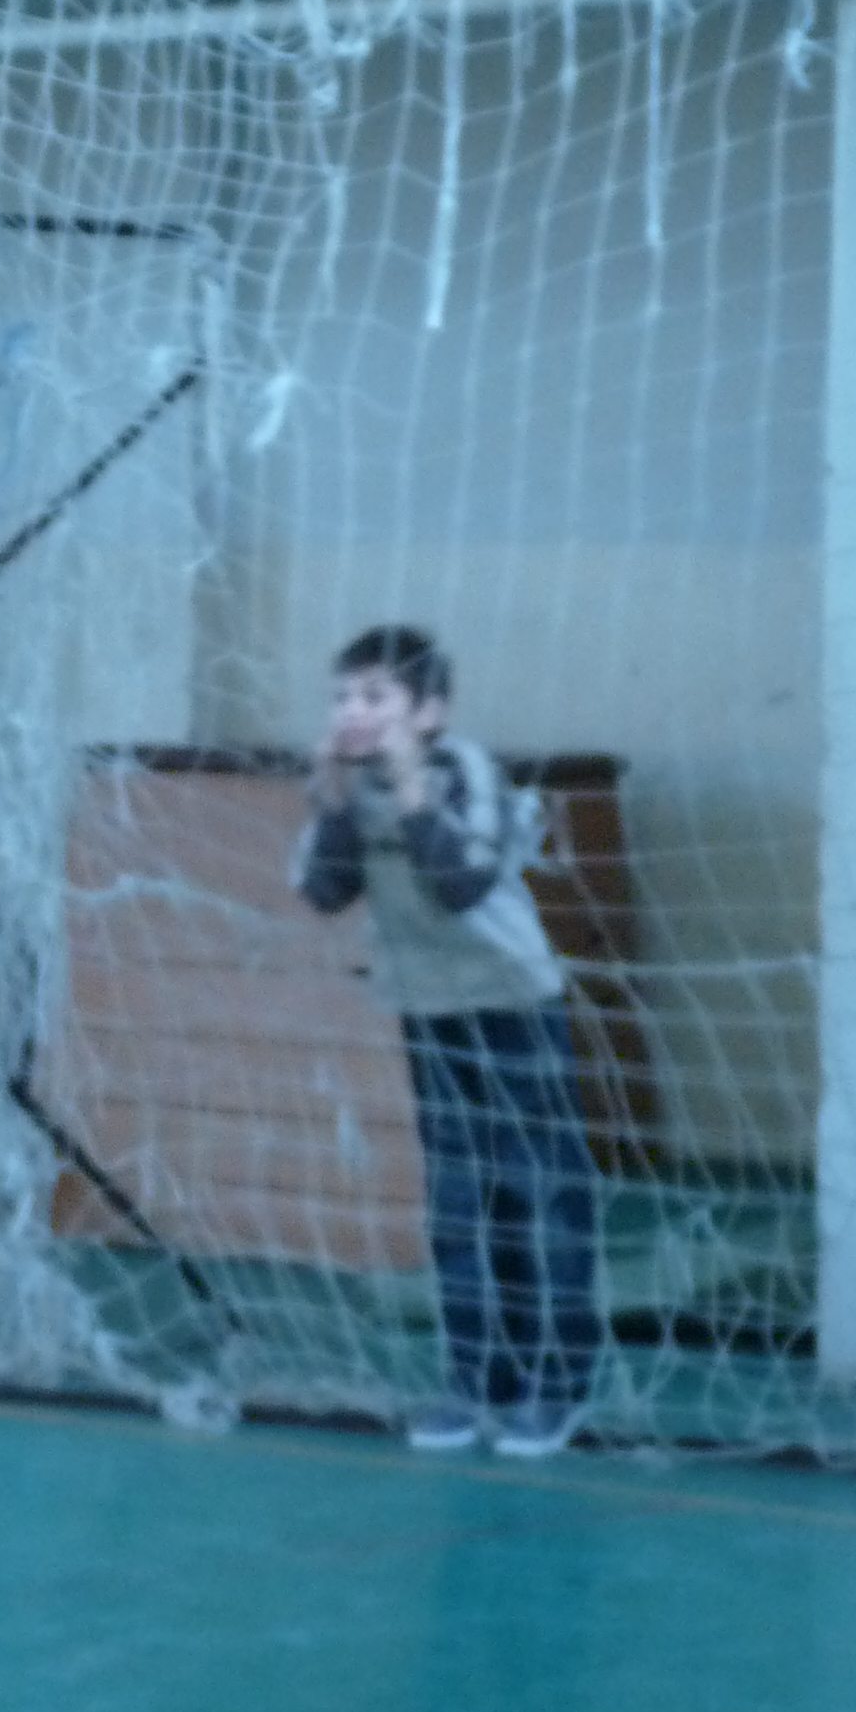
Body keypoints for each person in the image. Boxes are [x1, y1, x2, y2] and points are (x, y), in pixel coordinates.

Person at [293, 624, 604, 1457]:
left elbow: (460, 884)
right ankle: (476, 1378)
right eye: (341, 697)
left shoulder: (466, 771)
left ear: (429, 712)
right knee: (460, 1200)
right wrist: (332, 803)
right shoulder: (351, 783)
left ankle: (557, 1382)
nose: (351, 712)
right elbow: (326, 891)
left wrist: (409, 790)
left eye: (375, 697)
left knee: (540, 1192)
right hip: (429, 1010)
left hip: (512, 1003)